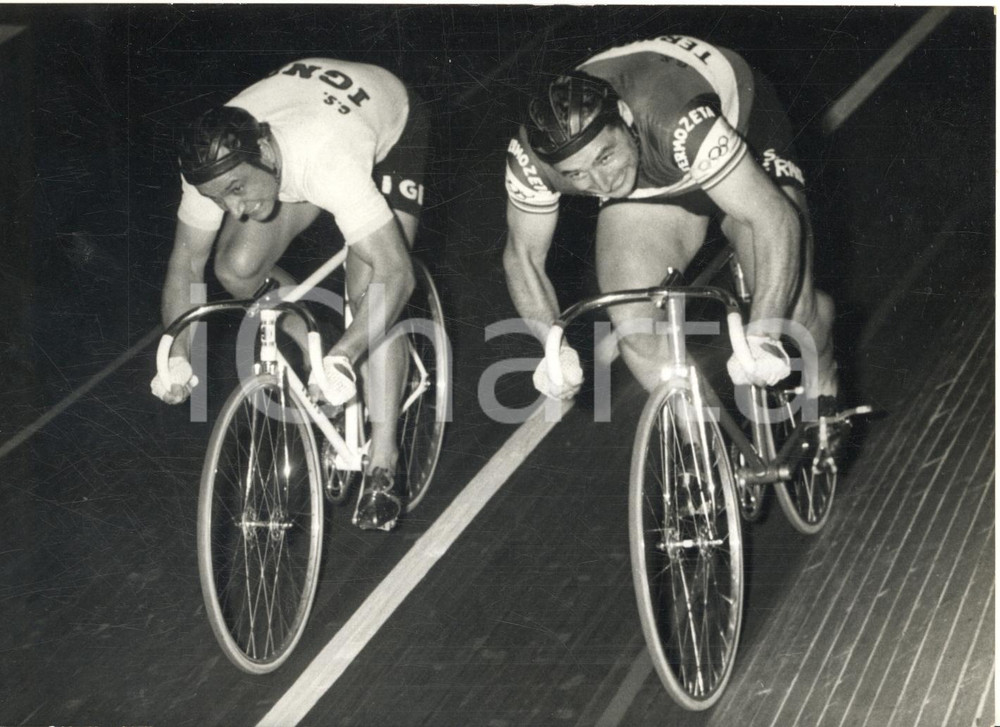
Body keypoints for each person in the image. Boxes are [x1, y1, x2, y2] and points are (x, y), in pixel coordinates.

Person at [150, 57, 431, 532]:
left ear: (262, 147)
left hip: (386, 127)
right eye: (221, 200)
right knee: (236, 268)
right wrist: (177, 356)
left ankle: (385, 458)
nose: (234, 210)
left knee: (370, 294)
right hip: (306, 119)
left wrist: (347, 355)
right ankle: (315, 341)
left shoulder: (326, 159)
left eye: (237, 189)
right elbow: (187, 263)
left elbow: (397, 273)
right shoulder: (211, 170)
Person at [503, 34, 840, 418]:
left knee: (791, 309)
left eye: (605, 157)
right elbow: (523, 256)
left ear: (625, 120)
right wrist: (552, 346)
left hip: (739, 129)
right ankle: (708, 447)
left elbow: (775, 218)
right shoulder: (531, 163)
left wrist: (763, 335)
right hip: (651, 172)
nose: (600, 182)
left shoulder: (675, 119)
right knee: (635, 329)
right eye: (576, 174)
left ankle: (824, 370)